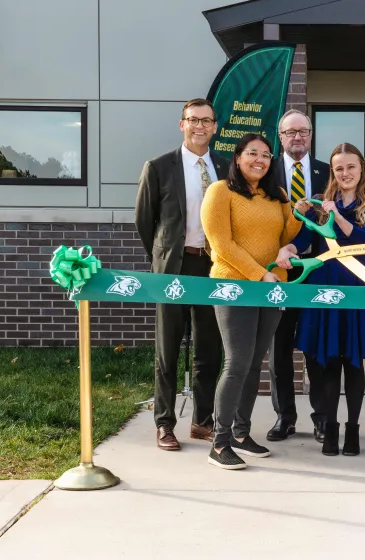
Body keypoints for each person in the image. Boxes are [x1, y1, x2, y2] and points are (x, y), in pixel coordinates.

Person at [276, 143, 365, 456]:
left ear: (361, 169)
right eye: (338, 168)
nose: (345, 173)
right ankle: (330, 428)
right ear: (333, 172)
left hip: (355, 289)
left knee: (352, 362)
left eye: (351, 167)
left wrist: (336, 215)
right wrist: (288, 249)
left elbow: (360, 239)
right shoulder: (319, 206)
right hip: (323, 288)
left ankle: (352, 430)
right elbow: (302, 241)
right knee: (324, 362)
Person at [200, 133, 302, 470]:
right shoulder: (220, 192)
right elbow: (221, 244)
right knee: (237, 361)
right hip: (235, 286)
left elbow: (284, 236)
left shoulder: (278, 195)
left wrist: (296, 223)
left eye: (266, 154)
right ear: (238, 157)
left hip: (272, 288)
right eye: (252, 153)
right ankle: (220, 441)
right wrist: (259, 273)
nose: (260, 159)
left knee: (255, 362)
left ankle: (242, 434)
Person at [135, 98, 227, 451]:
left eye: (206, 121)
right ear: (182, 124)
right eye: (193, 120)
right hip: (173, 267)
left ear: (215, 126)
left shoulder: (223, 166)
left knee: (209, 348)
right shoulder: (158, 167)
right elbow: (145, 223)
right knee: (168, 349)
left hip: (213, 267)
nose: (199, 126)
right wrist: (162, 259)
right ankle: (164, 423)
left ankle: (203, 421)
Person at [266, 109, 331, 444]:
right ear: (280, 137)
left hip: (317, 271)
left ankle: (321, 419)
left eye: (303, 131)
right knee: (279, 350)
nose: (297, 137)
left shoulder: (326, 173)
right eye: (290, 132)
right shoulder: (267, 172)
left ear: (310, 135)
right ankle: (284, 417)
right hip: (279, 271)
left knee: (314, 347)